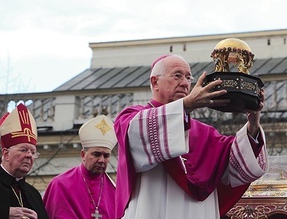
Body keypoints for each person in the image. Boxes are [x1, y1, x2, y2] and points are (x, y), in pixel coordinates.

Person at [114, 53, 269, 219]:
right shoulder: (133, 117)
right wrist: (186, 105)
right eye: (177, 75)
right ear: (155, 82)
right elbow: (135, 135)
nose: (184, 83)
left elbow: (237, 165)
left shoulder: (205, 133)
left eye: (188, 78)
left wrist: (253, 122)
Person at [43, 115, 118, 218]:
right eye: (96, 154)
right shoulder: (60, 184)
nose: (101, 160)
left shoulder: (114, 191)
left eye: (106, 156)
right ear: (83, 155)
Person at [0, 103, 49, 219]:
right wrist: (4, 213)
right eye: (24, 150)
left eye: (33, 152)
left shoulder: (33, 194)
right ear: (6, 154)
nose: (29, 155)